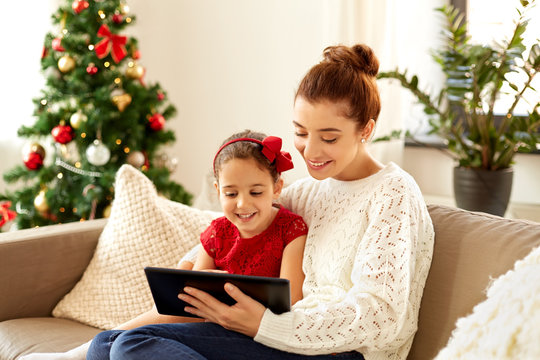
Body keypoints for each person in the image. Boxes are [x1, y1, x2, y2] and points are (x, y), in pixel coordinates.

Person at [85, 43, 435, 360]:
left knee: (131, 346)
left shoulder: (393, 193)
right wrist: (191, 269)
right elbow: (239, 229)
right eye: (300, 133)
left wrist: (265, 325)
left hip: (340, 352)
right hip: (275, 337)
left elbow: (380, 316)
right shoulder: (306, 194)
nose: (310, 151)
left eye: (328, 138)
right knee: (105, 345)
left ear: (366, 130)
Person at [21, 130, 307, 360]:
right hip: (206, 326)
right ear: (218, 190)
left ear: (277, 187)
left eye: (256, 192)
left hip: (252, 335)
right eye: (231, 193)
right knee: (101, 345)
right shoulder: (218, 231)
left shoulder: (289, 228)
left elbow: (291, 299)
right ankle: (75, 355)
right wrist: (201, 285)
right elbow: (191, 296)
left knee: (128, 347)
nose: (243, 204)